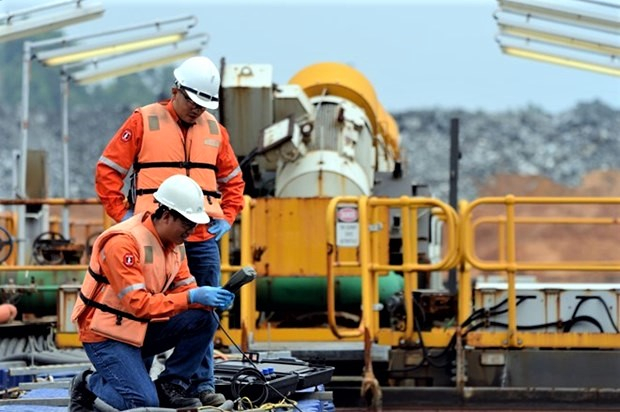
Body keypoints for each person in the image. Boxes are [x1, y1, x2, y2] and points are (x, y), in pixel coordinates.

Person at [94, 55, 245, 406]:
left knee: (205, 309)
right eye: (192, 102)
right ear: (175, 90)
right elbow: (108, 171)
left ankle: (195, 383)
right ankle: (137, 379)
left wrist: (228, 215)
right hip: (151, 238)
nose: (197, 110)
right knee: (142, 307)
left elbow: (233, 179)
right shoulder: (143, 121)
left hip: (203, 238)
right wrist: (123, 216)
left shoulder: (215, 131)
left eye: (204, 104)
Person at [69, 174, 236, 411]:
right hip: (106, 334)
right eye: (188, 224)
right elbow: (138, 304)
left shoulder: (176, 245)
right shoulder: (123, 242)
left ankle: (171, 385)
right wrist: (192, 297)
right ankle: (87, 385)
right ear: (166, 215)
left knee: (205, 318)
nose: (191, 231)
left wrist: (211, 299)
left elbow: (185, 288)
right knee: (143, 403)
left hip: (140, 328)